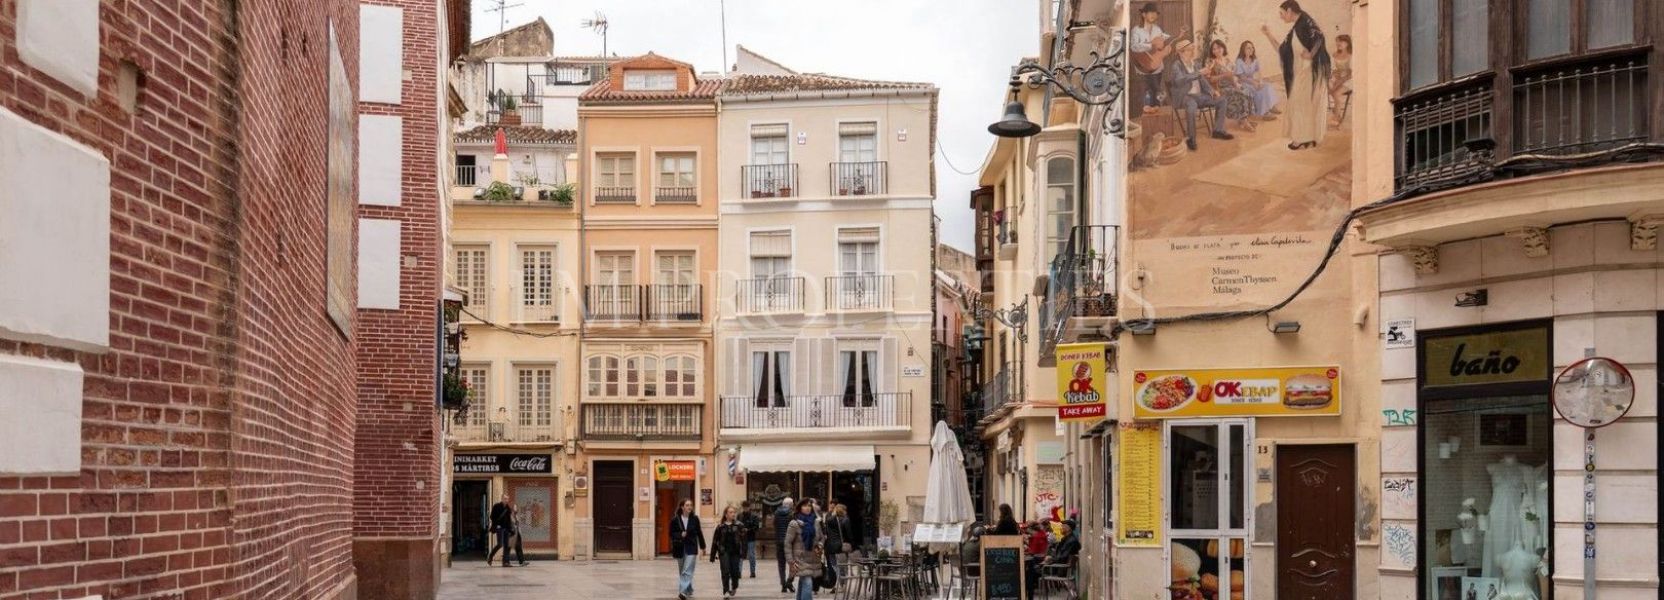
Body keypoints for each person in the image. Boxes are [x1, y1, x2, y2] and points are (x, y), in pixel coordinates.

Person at [1262, 0, 1331, 150]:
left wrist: (1311, 53)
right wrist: (1268, 34)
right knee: (1302, 104)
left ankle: (1302, 139)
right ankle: (1307, 138)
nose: (1281, 17)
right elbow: (1282, 50)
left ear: (1289, 11)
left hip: (1312, 71)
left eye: (1281, 13)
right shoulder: (1295, 28)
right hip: (1305, 72)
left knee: (1300, 103)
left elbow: (1320, 36)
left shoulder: (1305, 20)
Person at [1166, 39, 1234, 151]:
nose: (1192, 52)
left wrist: (1212, 91)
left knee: (1222, 100)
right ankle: (1191, 139)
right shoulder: (1176, 65)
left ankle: (1218, 130)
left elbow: (1202, 81)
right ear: (1181, 53)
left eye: (1192, 49)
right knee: (1191, 106)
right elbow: (1179, 81)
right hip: (1185, 96)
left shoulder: (1195, 64)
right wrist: (1198, 73)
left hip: (1199, 96)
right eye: (1189, 50)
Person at [1129, 2, 1172, 108]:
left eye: (1155, 13)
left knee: (1157, 98)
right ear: (1143, 14)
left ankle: (1157, 121)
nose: (1153, 15)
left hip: (1157, 69)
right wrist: (1150, 45)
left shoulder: (1158, 30)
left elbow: (1161, 47)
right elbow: (1134, 47)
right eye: (1150, 12)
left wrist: (1165, 51)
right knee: (1146, 100)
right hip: (1143, 71)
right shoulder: (1136, 30)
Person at [784, 498, 827, 600]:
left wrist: (820, 545)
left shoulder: (816, 522)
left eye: (809, 506)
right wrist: (790, 561)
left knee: (804, 581)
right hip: (800, 559)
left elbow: (822, 537)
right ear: (799, 508)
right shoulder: (794, 524)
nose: (807, 508)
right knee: (808, 582)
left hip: (813, 559)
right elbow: (787, 543)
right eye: (804, 506)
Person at [1026, 520, 1081, 595]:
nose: (1060, 528)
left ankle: (1028, 595)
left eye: (1062, 527)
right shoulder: (1067, 539)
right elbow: (1061, 555)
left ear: (1068, 528)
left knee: (1030, 572)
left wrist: (1051, 559)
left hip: (1058, 569)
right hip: (1057, 567)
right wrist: (1050, 557)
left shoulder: (1071, 541)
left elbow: (1063, 557)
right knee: (1032, 568)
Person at [667, 499, 707, 600]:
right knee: (682, 570)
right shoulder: (675, 520)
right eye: (687, 505)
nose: (689, 507)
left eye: (691, 505)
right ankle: (689, 589)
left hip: (691, 547)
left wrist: (703, 546)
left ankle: (682, 591)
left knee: (687, 570)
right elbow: (671, 534)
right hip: (679, 547)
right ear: (682, 507)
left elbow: (699, 533)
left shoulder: (695, 519)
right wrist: (680, 534)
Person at [1234, 40, 1281, 118]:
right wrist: (1253, 83)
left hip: (1253, 80)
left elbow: (1258, 72)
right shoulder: (1239, 61)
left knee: (1267, 86)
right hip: (1244, 82)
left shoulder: (1254, 60)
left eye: (1252, 48)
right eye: (1248, 48)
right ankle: (1265, 113)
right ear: (1243, 50)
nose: (1251, 49)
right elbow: (1241, 77)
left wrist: (1260, 81)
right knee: (1258, 91)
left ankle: (1271, 106)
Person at [711, 505, 748, 599]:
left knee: (735, 572)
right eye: (730, 512)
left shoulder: (739, 525)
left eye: (734, 512)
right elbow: (715, 541)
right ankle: (726, 591)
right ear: (726, 514)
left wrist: (744, 553)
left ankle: (734, 586)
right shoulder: (720, 527)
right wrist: (712, 555)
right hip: (724, 551)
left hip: (735, 552)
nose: (733, 514)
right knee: (725, 571)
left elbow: (744, 540)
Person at [823, 502, 853, 591]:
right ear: (843, 511)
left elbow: (826, 532)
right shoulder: (845, 520)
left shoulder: (829, 519)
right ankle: (843, 585)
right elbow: (849, 534)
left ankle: (838, 584)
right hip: (840, 546)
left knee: (835, 566)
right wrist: (851, 542)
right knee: (843, 566)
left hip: (830, 546)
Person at [1328, 34, 1354, 125]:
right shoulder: (1334, 55)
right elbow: (1334, 70)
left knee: (1336, 93)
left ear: (1347, 43)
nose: (1338, 43)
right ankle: (1336, 113)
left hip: (1348, 80)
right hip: (1337, 78)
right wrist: (1336, 77)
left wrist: (1340, 81)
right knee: (1327, 86)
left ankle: (1336, 117)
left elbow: (1351, 74)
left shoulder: (1351, 55)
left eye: (1341, 42)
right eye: (1337, 41)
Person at [486, 493, 516, 567]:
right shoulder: (496, 506)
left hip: (506, 528)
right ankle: (490, 556)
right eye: (505, 498)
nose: (506, 500)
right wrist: (497, 525)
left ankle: (506, 562)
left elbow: (509, 520)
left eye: (507, 499)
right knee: (500, 544)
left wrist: (510, 529)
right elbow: (492, 516)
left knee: (507, 545)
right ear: (502, 498)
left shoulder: (508, 508)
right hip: (499, 528)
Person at [774, 496, 797, 594]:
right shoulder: (792, 514)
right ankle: (789, 581)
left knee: (781, 564)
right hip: (789, 542)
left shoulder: (776, 513)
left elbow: (774, 525)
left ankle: (783, 585)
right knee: (793, 563)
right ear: (791, 505)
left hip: (779, 541)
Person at [739, 500, 763, 578]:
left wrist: (748, 530)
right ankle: (739, 572)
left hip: (750, 538)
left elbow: (756, 527)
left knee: (751, 555)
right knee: (740, 555)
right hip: (741, 538)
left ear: (749, 507)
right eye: (744, 507)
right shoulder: (739, 516)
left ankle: (752, 572)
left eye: (746, 507)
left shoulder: (754, 516)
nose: (745, 509)